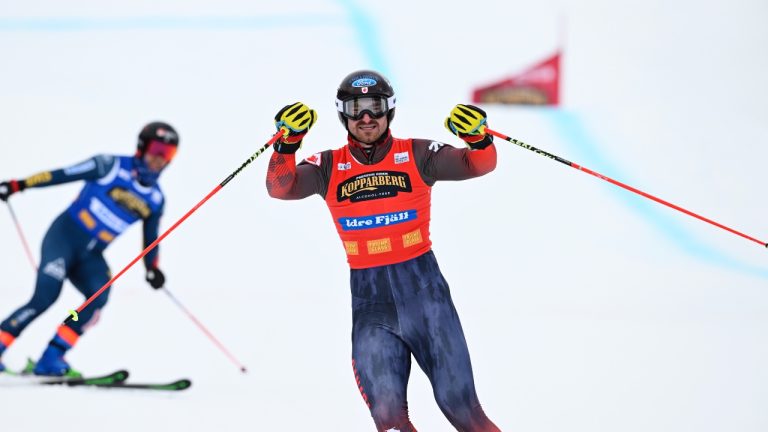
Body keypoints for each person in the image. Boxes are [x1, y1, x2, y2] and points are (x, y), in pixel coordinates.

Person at [266, 70, 501, 431]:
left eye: (374, 107)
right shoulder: (328, 166)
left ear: (389, 110)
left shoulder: (419, 154)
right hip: (372, 306)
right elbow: (280, 188)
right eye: (356, 109)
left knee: (463, 409)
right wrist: (287, 143)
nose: (366, 118)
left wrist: (477, 137)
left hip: (426, 298)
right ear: (342, 113)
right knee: (390, 422)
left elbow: (479, 164)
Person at [0, 122, 179, 377]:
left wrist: (153, 268)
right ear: (142, 146)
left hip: (90, 257)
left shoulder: (156, 199)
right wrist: (20, 184)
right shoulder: (109, 166)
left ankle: (52, 356)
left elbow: (151, 240)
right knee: (45, 298)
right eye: (157, 149)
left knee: (98, 297)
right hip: (63, 239)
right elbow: (62, 174)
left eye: (169, 154)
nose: (160, 159)